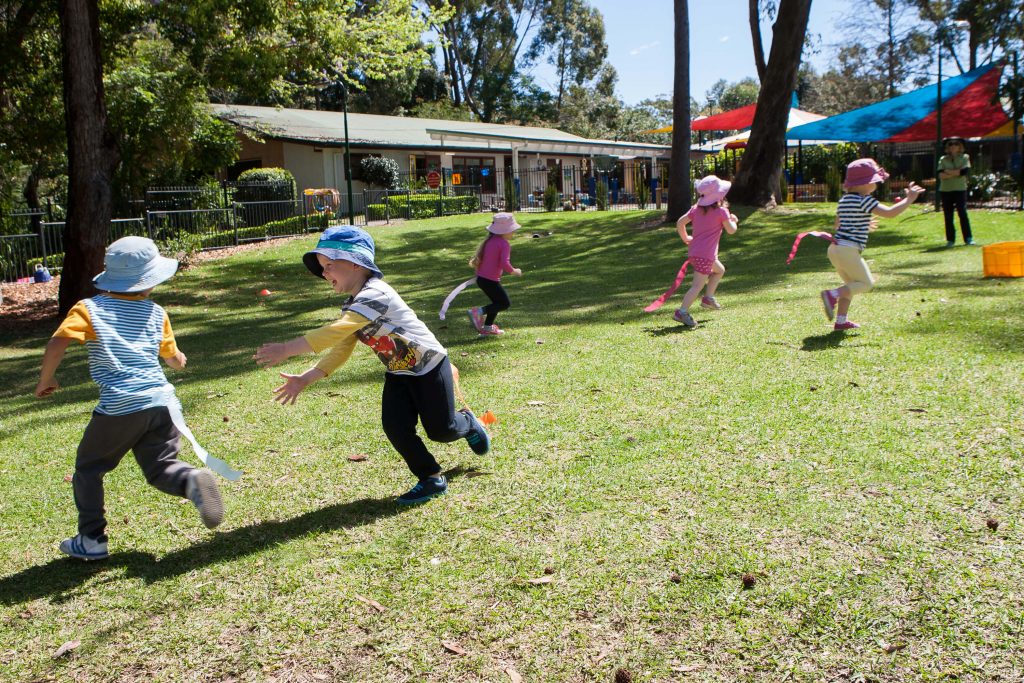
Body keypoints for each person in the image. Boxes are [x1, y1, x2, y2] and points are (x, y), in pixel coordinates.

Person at [253, 226, 492, 505]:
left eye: (329, 265)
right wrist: (307, 377)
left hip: (429, 367)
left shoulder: (376, 294)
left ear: (355, 263)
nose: (324, 273)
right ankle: (430, 477)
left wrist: (287, 349)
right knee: (395, 427)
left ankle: (469, 423)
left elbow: (335, 331)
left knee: (442, 430)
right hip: (398, 371)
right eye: (322, 268)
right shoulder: (352, 306)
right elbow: (342, 346)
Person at [34, 236, 224, 561]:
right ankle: (190, 479)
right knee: (161, 466)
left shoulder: (88, 309)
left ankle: (92, 539)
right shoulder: (156, 312)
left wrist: (46, 378)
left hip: (122, 405)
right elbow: (174, 358)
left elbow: (57, 342)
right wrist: (179, 361)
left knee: (89, 468)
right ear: (150, 282)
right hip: (162, 402)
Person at [820, 159, 924, 330]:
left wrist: (862, 223)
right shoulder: (865, 200)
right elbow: (890, 213)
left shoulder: (844, 200)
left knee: (851, 286)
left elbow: (838, 224)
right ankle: (832, 295)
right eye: (875, 181)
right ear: (866, 183)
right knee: (866, 284)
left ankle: (841, 322)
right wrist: (909, 199)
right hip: (848, 250)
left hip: (834, 249)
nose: (877, 184)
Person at [672, 175, 739, 329]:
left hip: (696, 252)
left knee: (719, 270)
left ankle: (708, 298)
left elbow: (680, 223)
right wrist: (734, 220)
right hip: (705, 255)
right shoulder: (722, 212)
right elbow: (731, 230)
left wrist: (686, 238)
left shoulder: (695, 209)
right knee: (697, 285)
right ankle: (682, 312)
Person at [467, 212, 522, 337]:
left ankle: (487, 328)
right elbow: (504, 263)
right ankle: (477, 312)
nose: (513, 233)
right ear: (504, 231)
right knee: (504, 303)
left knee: (496, 303)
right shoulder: (504, 244)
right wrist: (514, 271)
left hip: (482, 279)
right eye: (512, 230)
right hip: (490, 280)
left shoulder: (490, 241)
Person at [937, 137, 974, 247]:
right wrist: (956, 173)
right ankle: (950, 240)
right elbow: (940, 175)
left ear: (960, 147)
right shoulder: (943, 159)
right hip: (945, 190)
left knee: (962, 213)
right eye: (950, 144)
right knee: (948, 215)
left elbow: (964, 172)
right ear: (947, 147)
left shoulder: (965, 157)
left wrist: (948, 172)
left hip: (960, 189)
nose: (953, 146)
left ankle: (968, 238)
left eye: (956, 144)